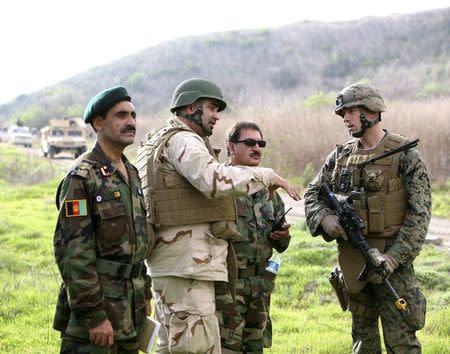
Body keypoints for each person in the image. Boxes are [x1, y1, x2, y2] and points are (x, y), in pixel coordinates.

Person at [136, 78, 300, 354]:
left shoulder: (157, 141)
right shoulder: (183, 140)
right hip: (187, 267)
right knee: (197, 348)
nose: (216, 116)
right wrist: (267, 175)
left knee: (171, 347)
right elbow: (214, 179)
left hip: (174, 265)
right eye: (212, 108)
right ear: (190, 107)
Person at [303, 83, 431, 353]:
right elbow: (312, 194)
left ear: (371, 112)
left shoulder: (405, 155)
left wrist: (393, 258)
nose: (345, 119)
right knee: (362, 345)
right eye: (342, 114)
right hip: (353, 265)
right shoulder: (340, 157)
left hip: (392, 269)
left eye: (350, 111)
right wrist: (326, 220)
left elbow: (419, 216)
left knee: (402, 344)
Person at [53, 86, 153, 354]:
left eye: (133, 115)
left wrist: (145, 294)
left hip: (131, 312)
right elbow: (73, 254)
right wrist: (94, 316)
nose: (131, 121)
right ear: (98, 122)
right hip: (99, 318)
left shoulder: (131, 173)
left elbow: (136, 241)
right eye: (121, 115)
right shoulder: (82, 177)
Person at [216, 121, 292, 353]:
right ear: (230, 148)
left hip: (260, 288)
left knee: (255, 348)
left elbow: (282, 245)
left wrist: (282, 235)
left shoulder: (266, 189)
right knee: (227, 348)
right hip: (229, 290)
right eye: (249, 143)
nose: (256, 148)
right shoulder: (219, 187)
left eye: (261, 143)